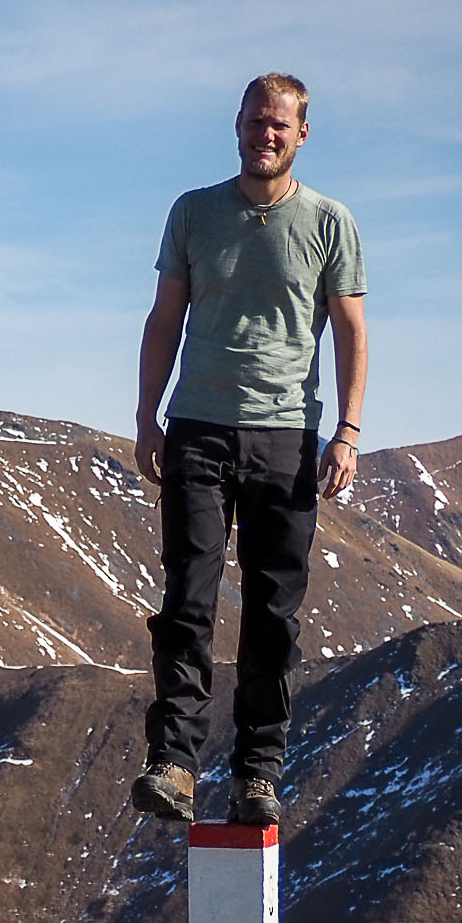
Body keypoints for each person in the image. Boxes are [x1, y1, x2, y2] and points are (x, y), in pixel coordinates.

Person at [129, 72, 367, 826]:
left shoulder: (330, 223)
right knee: (187, 599)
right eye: (256, 121)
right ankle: (174, 761)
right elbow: (164, 317)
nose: (266, 134)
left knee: (273, 614)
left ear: (302, 135)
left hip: (287, 436)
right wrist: (146, 416)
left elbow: (353, 331)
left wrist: (348, 432)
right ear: (237, 126)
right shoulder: (194, 214)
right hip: (198, 426)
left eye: (280, 125)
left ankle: (257, 774)